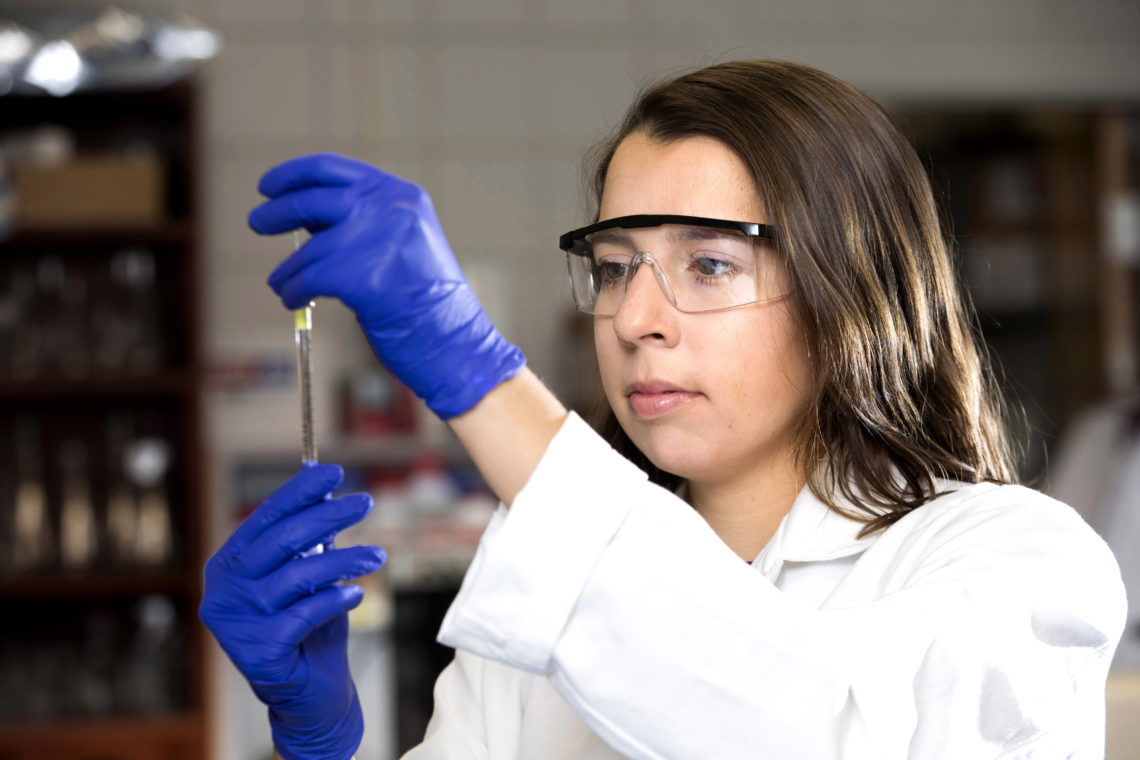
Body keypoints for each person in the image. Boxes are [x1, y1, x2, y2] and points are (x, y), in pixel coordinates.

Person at [199, 60, 1127, 760]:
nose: (635, 319)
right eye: (613, 270)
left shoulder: (1019, 563)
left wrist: (479, 380)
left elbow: (822, 730)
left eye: (710, 264)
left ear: (850, 292)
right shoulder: (543, 584)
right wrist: (317, 745)